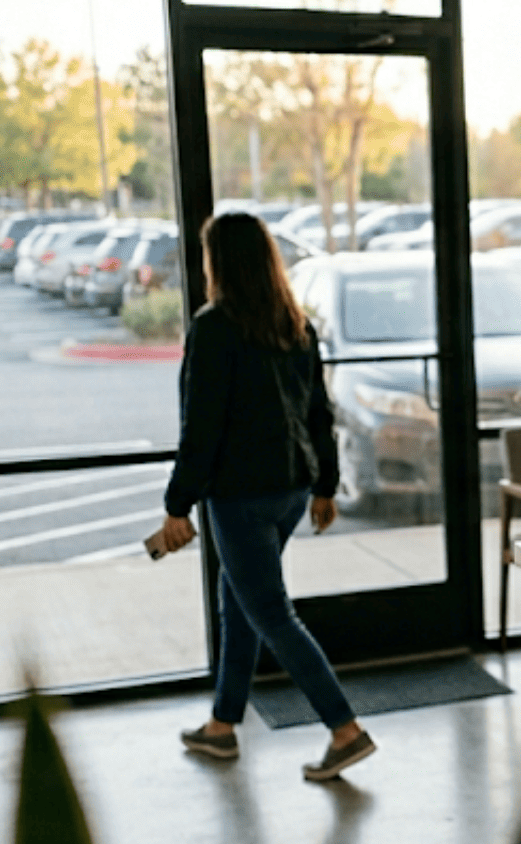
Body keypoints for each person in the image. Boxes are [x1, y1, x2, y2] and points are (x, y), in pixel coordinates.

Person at [155, 212, 376, 782]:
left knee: (272, 614)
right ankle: (223, 727)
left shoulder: (214, 327)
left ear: (219, 263)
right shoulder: (294, 325)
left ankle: (345, 730)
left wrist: (177, 503)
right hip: (291, 490)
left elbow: (200, 428)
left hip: (239, 496)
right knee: (240, 604)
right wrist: (325, 486)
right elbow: (319, 415)